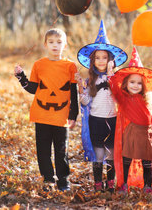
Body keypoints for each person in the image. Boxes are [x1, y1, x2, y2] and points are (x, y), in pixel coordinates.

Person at [14, 28, 79, 192]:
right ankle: (48, 179)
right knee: (43, 150)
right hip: (41, 115)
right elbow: (33, 89)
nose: (55, 45)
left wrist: (74, 113)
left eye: (59, 42)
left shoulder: (70, 66)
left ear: (65, 44)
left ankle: (63, 181)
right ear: (45, 44)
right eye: (51, 42)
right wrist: (22, 77)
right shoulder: (39, 65)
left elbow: (74, 92)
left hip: (61, 116)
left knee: (61, 150)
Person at [108, 47, 152, 194]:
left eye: (139, 83)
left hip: (147, 135)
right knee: (127, 160)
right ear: (126, 83)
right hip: (132, 133)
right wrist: (110, 73)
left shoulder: (148, 101)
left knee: (147, 162)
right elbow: (115, 90)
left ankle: (148, 186)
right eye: (132, 82)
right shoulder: (124, 99)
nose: (135, 86)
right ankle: (123, 184)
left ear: (144, 86)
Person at [76, 20, 128, 193]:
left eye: (104, 58)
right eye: (97, 58)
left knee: (112, 153)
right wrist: (80, 90)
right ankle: (98, 182)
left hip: (112, 119)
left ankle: (111, 182)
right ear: (92, 60)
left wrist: (112, 77)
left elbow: (119, 98)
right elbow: (84, 103)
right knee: (98, 153)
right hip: (96, 120)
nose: (100, 61)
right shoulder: (90, 80)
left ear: (110, 60)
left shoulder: (117, 79)